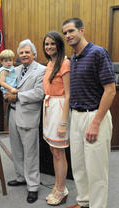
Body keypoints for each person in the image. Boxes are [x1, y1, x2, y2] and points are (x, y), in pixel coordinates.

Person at [62, 18, 116, 208]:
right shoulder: (74, 58)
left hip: (94, 116)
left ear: (82, 30)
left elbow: (110, 90)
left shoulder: (98, 53)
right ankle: (84, 202)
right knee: (79, 167)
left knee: (96, 170)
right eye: (65, 33)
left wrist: (96, 122)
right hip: (76, 117)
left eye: (71, 31)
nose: (68, 36)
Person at [5, 39, 46, 204]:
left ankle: (33, 187)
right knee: (16, 149)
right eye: (21, 53)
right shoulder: (14, 70)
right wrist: (5, 95)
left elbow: (39, 93)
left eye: (27, 52)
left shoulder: (41, 70)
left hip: (29, 115)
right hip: (13, 114)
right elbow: (6, 89)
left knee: (31, 153)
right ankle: (21, 177)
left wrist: (17, 96)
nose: (23, 55)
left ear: (34, 54)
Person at [42, 31, 70, 206]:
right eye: (46, 44)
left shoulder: (65, 63)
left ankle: (62, 189)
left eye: (52, 43)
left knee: (59, 152)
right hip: (49, 107)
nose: (49, 47)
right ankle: (58, 185)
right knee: (54, 150)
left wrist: (63, 122)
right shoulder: (50, 63)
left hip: (59, 109)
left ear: (59, 45)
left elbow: (68, 95)